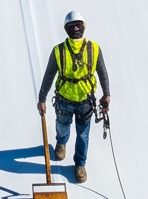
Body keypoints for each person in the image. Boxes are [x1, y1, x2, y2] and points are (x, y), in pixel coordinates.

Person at [36, 10, 109, 183]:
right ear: (66, 29)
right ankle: (61, 143)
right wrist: (42, 98)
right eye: (71, 26)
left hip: (86, 101)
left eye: (78, 25)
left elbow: (102, 73)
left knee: (83, 135)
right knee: (62, 128)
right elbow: (49, 76)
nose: (75, 28)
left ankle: (80, 164)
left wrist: (106, 95)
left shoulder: (94, 49)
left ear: (83, 27)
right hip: (64, 100)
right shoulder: (59, 51)